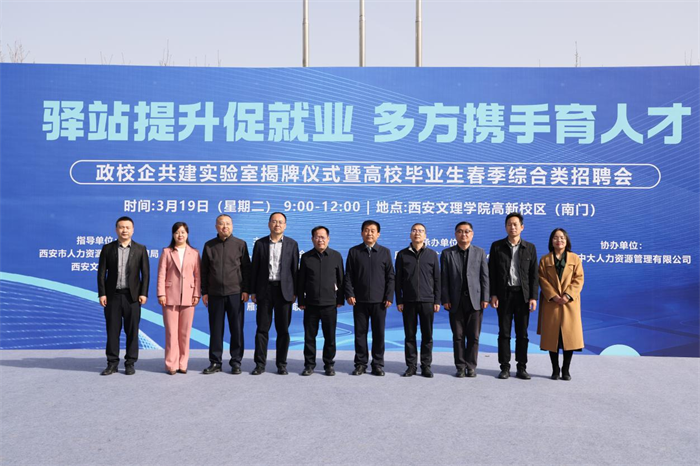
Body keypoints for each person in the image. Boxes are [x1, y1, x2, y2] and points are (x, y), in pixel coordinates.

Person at [97, 216, 150, 375]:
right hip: (112, 296)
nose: (124, 230)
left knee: (132, 331)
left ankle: (130, 363)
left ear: (132, 230)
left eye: (127, 227)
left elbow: (145, 274)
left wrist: (143, 293)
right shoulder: (108, 249)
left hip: (132, 297)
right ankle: (112, 363)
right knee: (112, 331)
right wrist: (102, 293)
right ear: (116, 230)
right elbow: (101, 273)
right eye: (121, 227)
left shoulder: (140, 249)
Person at [489, 212, 539, 380]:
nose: (512, 227)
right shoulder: (497, 246)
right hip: (504, 295)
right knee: (504, 333)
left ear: (522, 227)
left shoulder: (530, 248)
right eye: (509, 224)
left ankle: (521, 367)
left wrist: (533, 297)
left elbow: (534, 275)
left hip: (523, 296)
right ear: (505, 227)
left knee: (522, 334)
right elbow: (492, 272)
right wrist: (493, 294)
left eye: (515, 224)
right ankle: (504, 367)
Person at [201, 214, 251, 375]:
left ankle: (236, 362)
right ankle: (215, 362)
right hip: (214, 294)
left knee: (236, 329)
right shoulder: (209, 245)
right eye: (221, 224)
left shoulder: (240, 244)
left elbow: (246, 269)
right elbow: (204, 271)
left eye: (228, 224)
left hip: (235, 293)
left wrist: (246, 290)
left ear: (232, 226)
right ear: (216, 227)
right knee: (216, 330)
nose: (225, 227)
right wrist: (204, 292)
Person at [250, 212, 299, 375]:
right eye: (274, 221)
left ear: (285, 225)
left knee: (283, 330)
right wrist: (253, 291)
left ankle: (281, 364)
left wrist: (295, 292)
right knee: (262, 329)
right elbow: (255, 269)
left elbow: (295, 270)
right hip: (264, 291)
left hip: (284, 292)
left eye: (280, 222)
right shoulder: (260, 244)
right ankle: (259, 364)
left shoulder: (292, 244)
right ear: (269, 224)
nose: (277, 224)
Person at [345, 220, 395, 376]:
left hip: (380, 302)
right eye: (366, 230)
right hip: (359, 301)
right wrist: (350, 294)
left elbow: (390, 276)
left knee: (378, 334)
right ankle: (360, 364)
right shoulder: (354, 251)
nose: (369, 233)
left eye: (373, 230)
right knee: (360, 334)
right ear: (362, 233)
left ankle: (378, 364)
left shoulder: (385, 252)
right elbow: (348, 276)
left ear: (378, 234)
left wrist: (389, 296)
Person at [441, 222, 489, 378]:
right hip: (455, 301)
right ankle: (460, 366)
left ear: (472, 234)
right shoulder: (447, 253)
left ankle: (471, 366)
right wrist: (445, 298)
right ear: (455, 234)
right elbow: (444, 278)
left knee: (474, 336)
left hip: (475, 300)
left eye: (467, 231)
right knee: (458, 336)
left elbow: (484, 277)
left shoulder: (480, 252)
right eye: (460, 231)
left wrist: (485, 297)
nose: (464, 234)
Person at [537, 228, 584, 381]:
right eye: (556, 238)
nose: (559, 240)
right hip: (552, 303)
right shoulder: (545, 260)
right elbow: (541, 279)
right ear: (551, 241)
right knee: (553, 338)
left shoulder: (574, 258)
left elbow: (579, 279)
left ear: (567, 240)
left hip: (569, 303)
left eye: (562, 238)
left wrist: (568, 295)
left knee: (569, 338)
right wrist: (553, 296)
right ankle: (555, 369)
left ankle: (566, 369)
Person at [297, 226, 344, 376]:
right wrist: (301, 300)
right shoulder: (306, 257)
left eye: (323, 237)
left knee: (330, 337)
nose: (320, 240)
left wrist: (340, 299)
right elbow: (301, 281)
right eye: (317, 237)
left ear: (328, 239)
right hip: (310, 304)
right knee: (309, 337)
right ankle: (309, 365)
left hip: (330, 304)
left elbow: (341, 280)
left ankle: (329, 364)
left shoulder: (336, 256)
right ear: (312, 239)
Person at [394, 223, 440, 378]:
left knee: (427, 335)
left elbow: (437, 279)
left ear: (425, 235)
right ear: (410, 234)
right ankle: (411, 366)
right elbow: (398, 280)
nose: (417, 233)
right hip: (408, 301)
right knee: (410, 335)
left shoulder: (432, 254)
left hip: (427, 300)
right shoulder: (402, 255)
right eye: (414, 230)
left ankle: (426, 366)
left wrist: (437, 300)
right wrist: (399, 300)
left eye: (420, 231)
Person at [156, 222, 200, 375]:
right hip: (170, 297)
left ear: (187, 234)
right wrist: (161, 293)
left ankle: (183, 363)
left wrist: (196, 294)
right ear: (173, 234)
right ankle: (171, 364)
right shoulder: (167, 252)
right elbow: (161, 274)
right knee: (171, 333)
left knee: (185, 333)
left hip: (189, 297)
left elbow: (198, 276)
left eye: (183, 232)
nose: (180, 235)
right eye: (177, 232)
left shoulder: (194, 253)